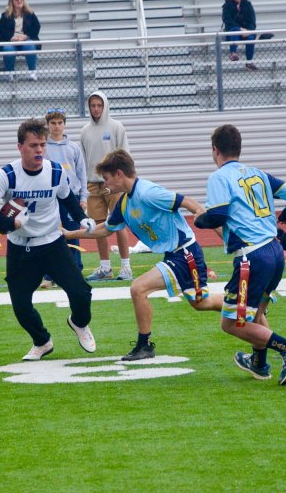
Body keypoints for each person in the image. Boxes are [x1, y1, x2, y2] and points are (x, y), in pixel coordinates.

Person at [63, 149, 222, 362]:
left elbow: (189, 203)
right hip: (175, 255)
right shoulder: (124, 202)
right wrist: (69, 234)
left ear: (119, 174)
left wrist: (221, 234)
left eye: (107, 179)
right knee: (201, 303)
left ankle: (144, 345)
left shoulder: (148, 192)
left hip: (185, 254)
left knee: (138, 288)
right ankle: (246, 305)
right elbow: (105, 230)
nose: (105, 185)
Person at [194, 124, 286, 386]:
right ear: (238, 147)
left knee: (232, 323)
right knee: (257, 312)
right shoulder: (258, 173)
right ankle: (259, 363)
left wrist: (199, 219)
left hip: (252, 257)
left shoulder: (219, 177)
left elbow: (219, 215)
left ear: (215, 150)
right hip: (275, 250)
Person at [0, 118, 97, 361]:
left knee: (81, 292)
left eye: (42, 145)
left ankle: (79, 323)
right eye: (33, 145)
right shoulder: (7, 175)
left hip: (52, 243)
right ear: (20, 147)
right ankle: (42, 341)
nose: (39, 150)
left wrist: (82, 218)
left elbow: (68, 198)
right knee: (20, 305)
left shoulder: (56, 172)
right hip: (20, 248)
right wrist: (10, 224)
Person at [79, 91, 133, 281]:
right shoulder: (85, 131)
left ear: (105, 106)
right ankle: (105, 268)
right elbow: (84, 160)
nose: (96, 109)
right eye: (92, 105)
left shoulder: (116, 127)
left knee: (118, 225)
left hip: (115, 184)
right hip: (93, 185)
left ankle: (126, 267)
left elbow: (125, 156)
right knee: (98, 226)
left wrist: (122, 182)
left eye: (99, 105)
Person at [40, 107, 88, 289]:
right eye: (53, 123)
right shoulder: (43, 147)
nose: (57, 126)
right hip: (50, 198)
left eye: (60, 123)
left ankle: (75, 271)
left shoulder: (73, 148)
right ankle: (49, 275)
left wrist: (83, 197)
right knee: (49, 234)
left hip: (72, 198)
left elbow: (82, 174)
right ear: (48, 125)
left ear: (65, 125)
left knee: (73, 234)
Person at [0, 0, 41, 81]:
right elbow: (1, 30)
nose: (19, 1)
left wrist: (26, 36)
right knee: (7, 49)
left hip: (25, 40)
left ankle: (32, 73)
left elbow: (37, 27)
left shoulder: (30, 14)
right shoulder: (5, 15)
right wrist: (11, 37)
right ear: (12, 2)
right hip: (11, 41)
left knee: (30, 45)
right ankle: (11, 74)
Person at [222, 0, 258, 71]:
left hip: (246, 32)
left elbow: (252, 21)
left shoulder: (248, 4)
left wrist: (248, 31)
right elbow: (227, 21)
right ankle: (233, 53)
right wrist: (240, 29)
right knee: (234, 30)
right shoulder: (226, 6)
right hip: (233, 32)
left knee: (250, 38)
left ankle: (249, 62)